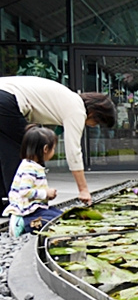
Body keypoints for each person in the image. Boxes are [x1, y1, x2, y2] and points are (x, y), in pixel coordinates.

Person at [0, 75, 116, 208]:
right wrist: (83, 190)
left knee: (6, 151)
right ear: (95, 113)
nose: (94, 126)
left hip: (5, 94)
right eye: (98, 122)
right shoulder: (77, 109)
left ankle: (5, 202)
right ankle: (23, 203)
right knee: (27, 151)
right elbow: (74, 152)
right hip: (6, 99)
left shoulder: (66, 99)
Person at [2, 125, 62, 236]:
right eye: (53, 148)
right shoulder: (29, 168)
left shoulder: (33, 166)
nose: (54, 151)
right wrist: (45, 193)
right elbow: (24, 191)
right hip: (26, 211)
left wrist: (47, 195)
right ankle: (22, 224)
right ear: (45, 149)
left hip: (34, 208)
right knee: (52, 220)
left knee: (59, 215)